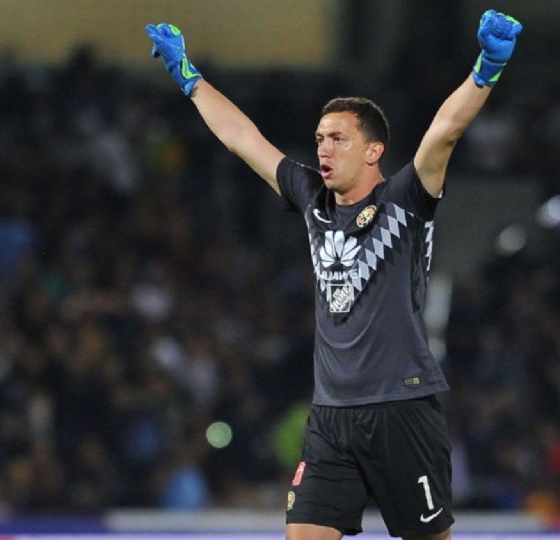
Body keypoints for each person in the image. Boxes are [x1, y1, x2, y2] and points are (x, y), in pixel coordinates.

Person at [146, 9, 522, 540]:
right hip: (331, 414)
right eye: (321, 137)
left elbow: (445, 132)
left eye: (339, 139)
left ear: (374, 151)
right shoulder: (312, 201)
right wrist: (189, 77)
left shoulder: (406, 200)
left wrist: (486, 69)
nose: (323, 147)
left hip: (401, 408)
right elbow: (242, 137)